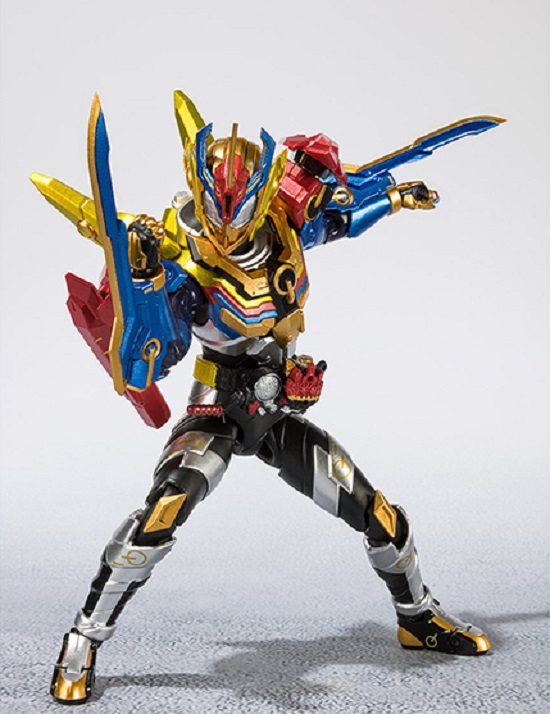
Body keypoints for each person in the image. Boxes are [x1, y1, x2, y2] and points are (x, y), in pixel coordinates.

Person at [32, 92, 503, 704]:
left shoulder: (284, 227)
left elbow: (342, 219)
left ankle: (418, 618)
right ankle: (82, 640)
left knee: (379, 515)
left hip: (276, 408)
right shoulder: (183, 262)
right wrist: (143, 277)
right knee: (161, 514)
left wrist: (393, 199)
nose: (228, 228)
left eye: (240, 211)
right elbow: (159, 348)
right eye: (216, 210)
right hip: (215, 407)